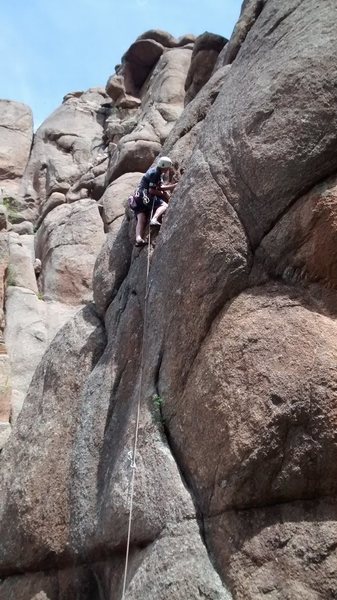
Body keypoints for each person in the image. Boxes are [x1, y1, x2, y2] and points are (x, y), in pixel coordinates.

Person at [130, 156, 175, 246]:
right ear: (165, 167)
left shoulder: (155, 171)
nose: (168, 170)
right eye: (168, 168)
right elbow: (152, 190)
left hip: (137, 198)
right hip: (145, 196)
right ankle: (154, 219)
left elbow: (159, 187)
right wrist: (163, 194)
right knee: (164, 206)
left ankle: (138, 239)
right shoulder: (156, 173)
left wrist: (171, 187)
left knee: (141, 218)